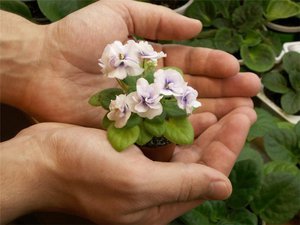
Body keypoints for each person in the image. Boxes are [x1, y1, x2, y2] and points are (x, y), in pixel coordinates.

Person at [0, 0, 260, 224]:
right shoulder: (128, 83)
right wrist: (44, 169)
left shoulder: (149, 87)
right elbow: (136, 106)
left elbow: (155, 109)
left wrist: (39, 52)